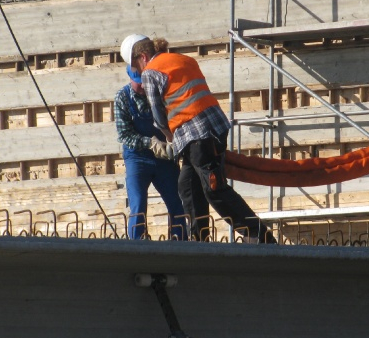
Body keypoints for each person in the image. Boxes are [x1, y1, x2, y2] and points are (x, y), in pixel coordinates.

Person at [123, 34, 275, 244]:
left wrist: (169, 140)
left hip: (198, 136)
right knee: (187, 185)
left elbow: (158, 117)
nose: (139, 72)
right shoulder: (184, 60)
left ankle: (260, 236)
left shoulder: (150, 72)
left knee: (215, 190)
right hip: (214, 128)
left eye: (137, 66)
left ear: (143, 57)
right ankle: (199, 241)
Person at [115, 37, 188, 240]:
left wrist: (173, 144)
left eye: (143, 83)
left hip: (164, 158)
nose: (141, 86)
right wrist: (151, 143)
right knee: (138, 204)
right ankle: (137, 244)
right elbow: (124, 135)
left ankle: (180, 241)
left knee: (176, 202)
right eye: (138, 83)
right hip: (137, 159)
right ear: (131, 77)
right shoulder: (122, 98)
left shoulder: (157, 90)